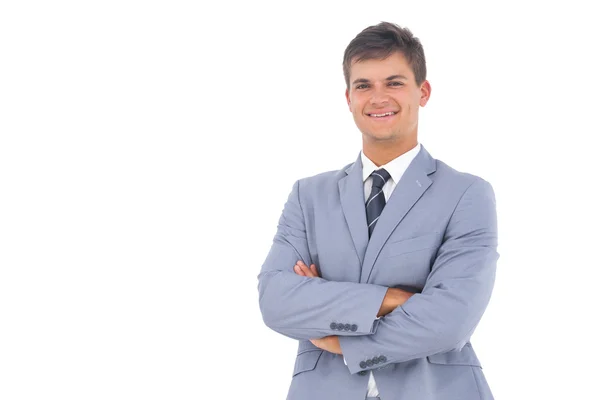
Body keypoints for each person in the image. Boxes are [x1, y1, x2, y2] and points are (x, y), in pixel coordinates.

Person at [257, 21, 499, 400]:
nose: (378, 97)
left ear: (423, 92)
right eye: (364, 85)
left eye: (394, 82)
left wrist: (341, 336)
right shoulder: (308, 196)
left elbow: (451, 320)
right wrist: (395, 299)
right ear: (349, 97)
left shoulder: (467, 194)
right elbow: (277, 302)